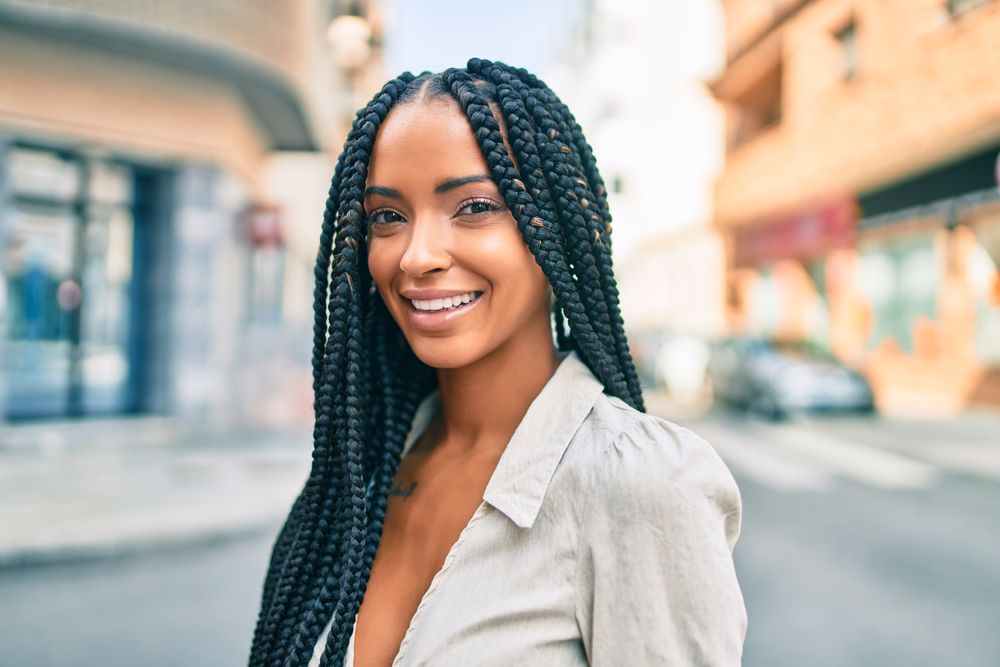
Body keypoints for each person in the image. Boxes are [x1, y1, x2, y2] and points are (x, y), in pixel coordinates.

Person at [249, 59, 746, 667]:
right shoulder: (363, 470)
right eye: (387, 216)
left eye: (474, 206)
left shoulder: (638, 483)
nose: (417, 255)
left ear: (559, 230)